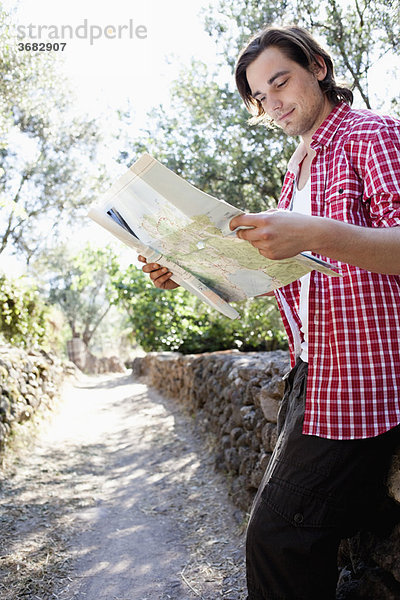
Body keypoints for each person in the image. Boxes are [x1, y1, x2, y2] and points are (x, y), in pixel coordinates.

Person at [139, 25, 400, 600]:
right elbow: (290, 277)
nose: (272, 103)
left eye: (280, 82)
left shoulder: (372, 135)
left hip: (365, 381)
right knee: (291, 539)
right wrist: (188, 269)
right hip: (313, 373)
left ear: (320, 68)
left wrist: (315, 233)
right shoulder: (296, 173)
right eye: (259, 98)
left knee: (275, 540)